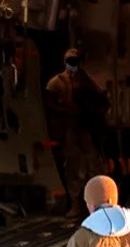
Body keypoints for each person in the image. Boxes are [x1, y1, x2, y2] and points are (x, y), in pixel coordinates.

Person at [46, 50, 110, 214]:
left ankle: (94, 203)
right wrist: (66, 111)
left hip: (86, 129)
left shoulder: (88, 81)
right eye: (71, 60)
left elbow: (102, 101)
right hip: (70, 129)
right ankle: (75, 203)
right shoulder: (58, 82)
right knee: (73, 168)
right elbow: (49, 104)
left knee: (92, 167)